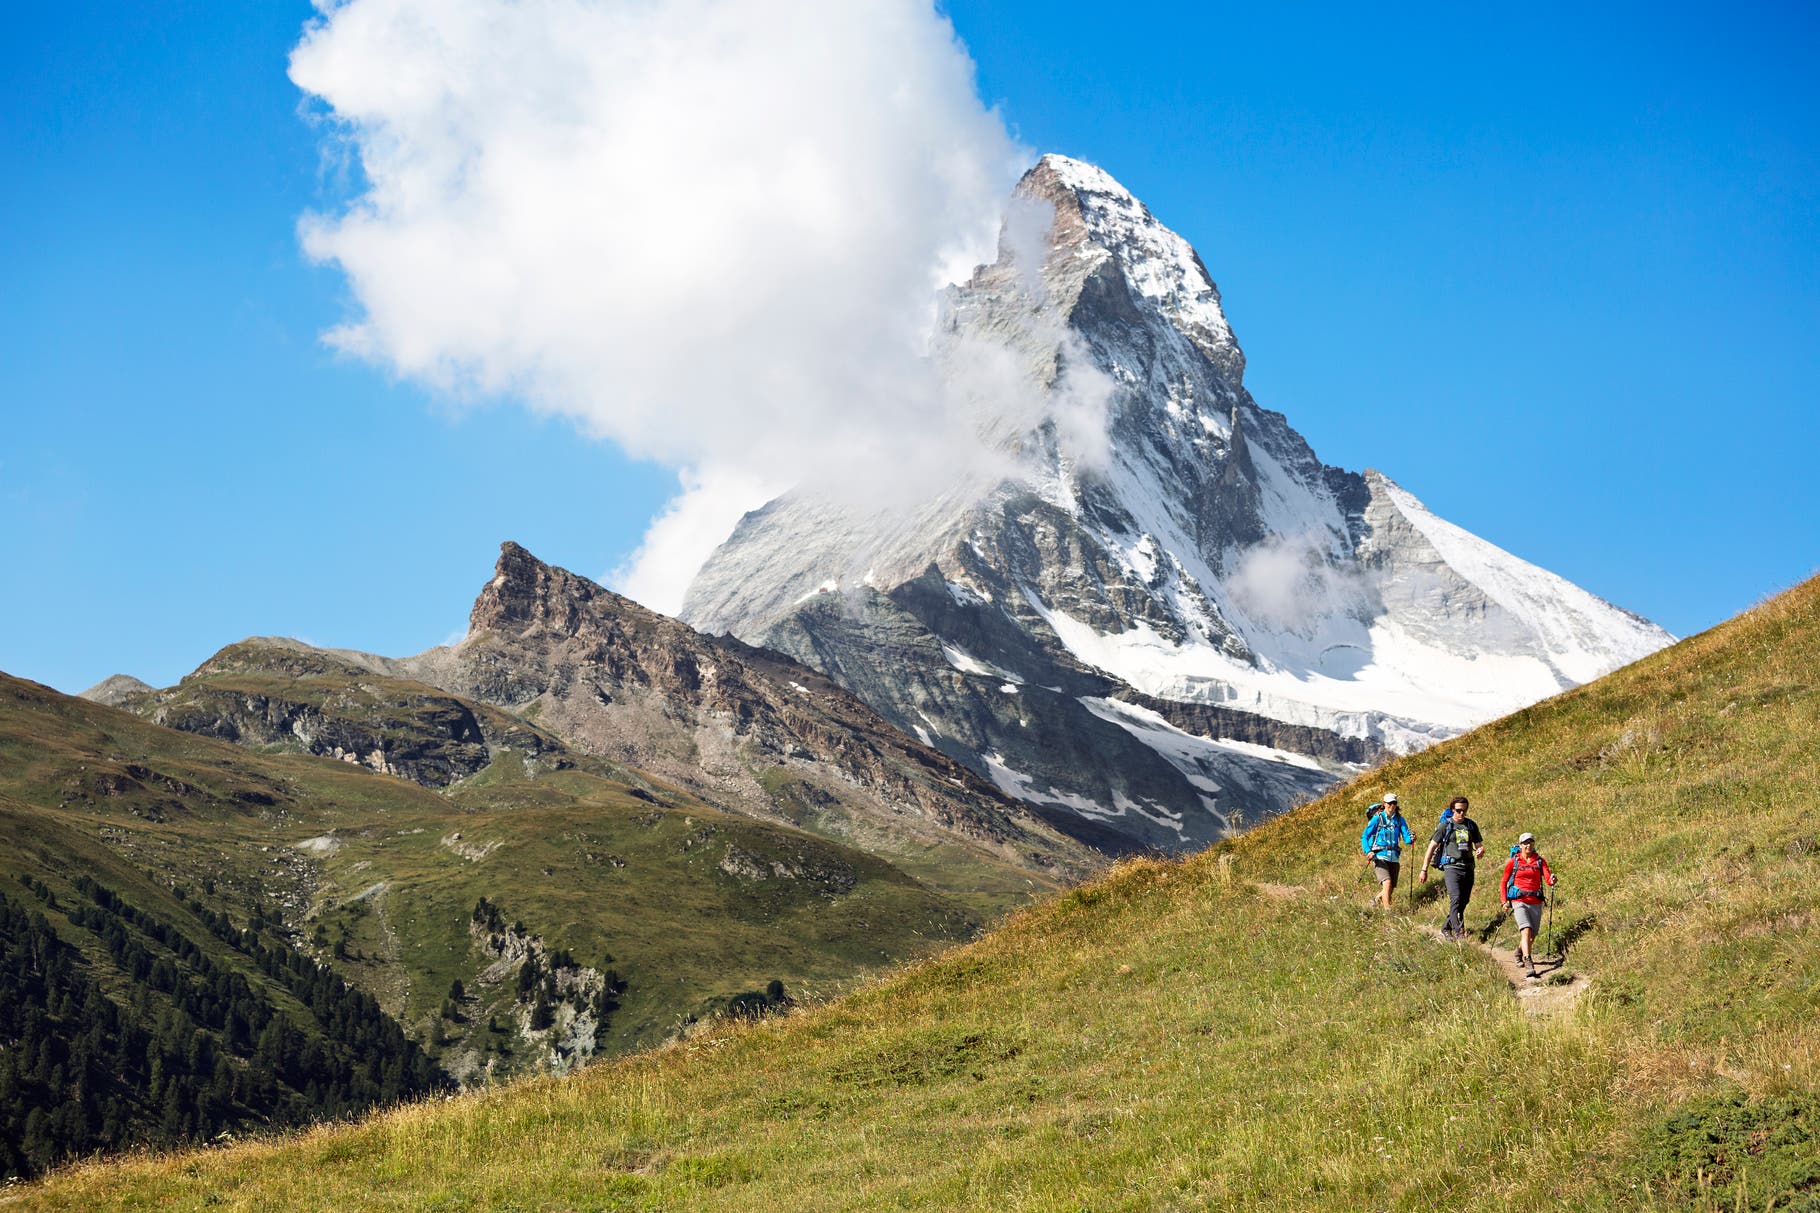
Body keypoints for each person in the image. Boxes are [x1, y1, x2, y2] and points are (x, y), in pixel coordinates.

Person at [1419, 796, 1485, 939]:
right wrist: (1424, 869)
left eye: (1464, 810)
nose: (1461, 813)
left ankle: (1445, 928)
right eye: (1458, 810)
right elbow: (1431, 847)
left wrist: (1480, 850)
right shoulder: (1445, 826)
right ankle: (1459, 932)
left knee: (1464, 900)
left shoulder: (1471, 825)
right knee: (1455, 898)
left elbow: (1478, 844)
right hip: (1451, 867)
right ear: (1452, 810)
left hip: (1468, 867)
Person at [1500, 832, 1556, 978]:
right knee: (1526, 930)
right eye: (1525, 843)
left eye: (1530, 842)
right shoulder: (1514, 861)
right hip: (1519, 901)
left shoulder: (1540, 861)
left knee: (1533, 935)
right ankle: (1528, 962)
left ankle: (1519, 951)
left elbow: (1548, 879)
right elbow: (1503, 882)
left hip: (1535, 901)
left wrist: (1552, 880)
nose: (1528, 845)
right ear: (1520, 845)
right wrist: (1504, 901)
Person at [1360, 792, 1413, 911]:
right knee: (1387, 883)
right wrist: (1368, 851)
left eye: (1394, 803)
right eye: (1389, 803)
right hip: (1380, 856)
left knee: (1390, 888)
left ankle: (1375, 901)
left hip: (1394, 857)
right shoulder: (1377, 818)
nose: (1392, 806)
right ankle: (1388, 912)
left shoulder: (1400, 820)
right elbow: (1365, 836)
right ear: (1384, 804)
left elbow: (1406, 838)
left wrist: (1412, 838)